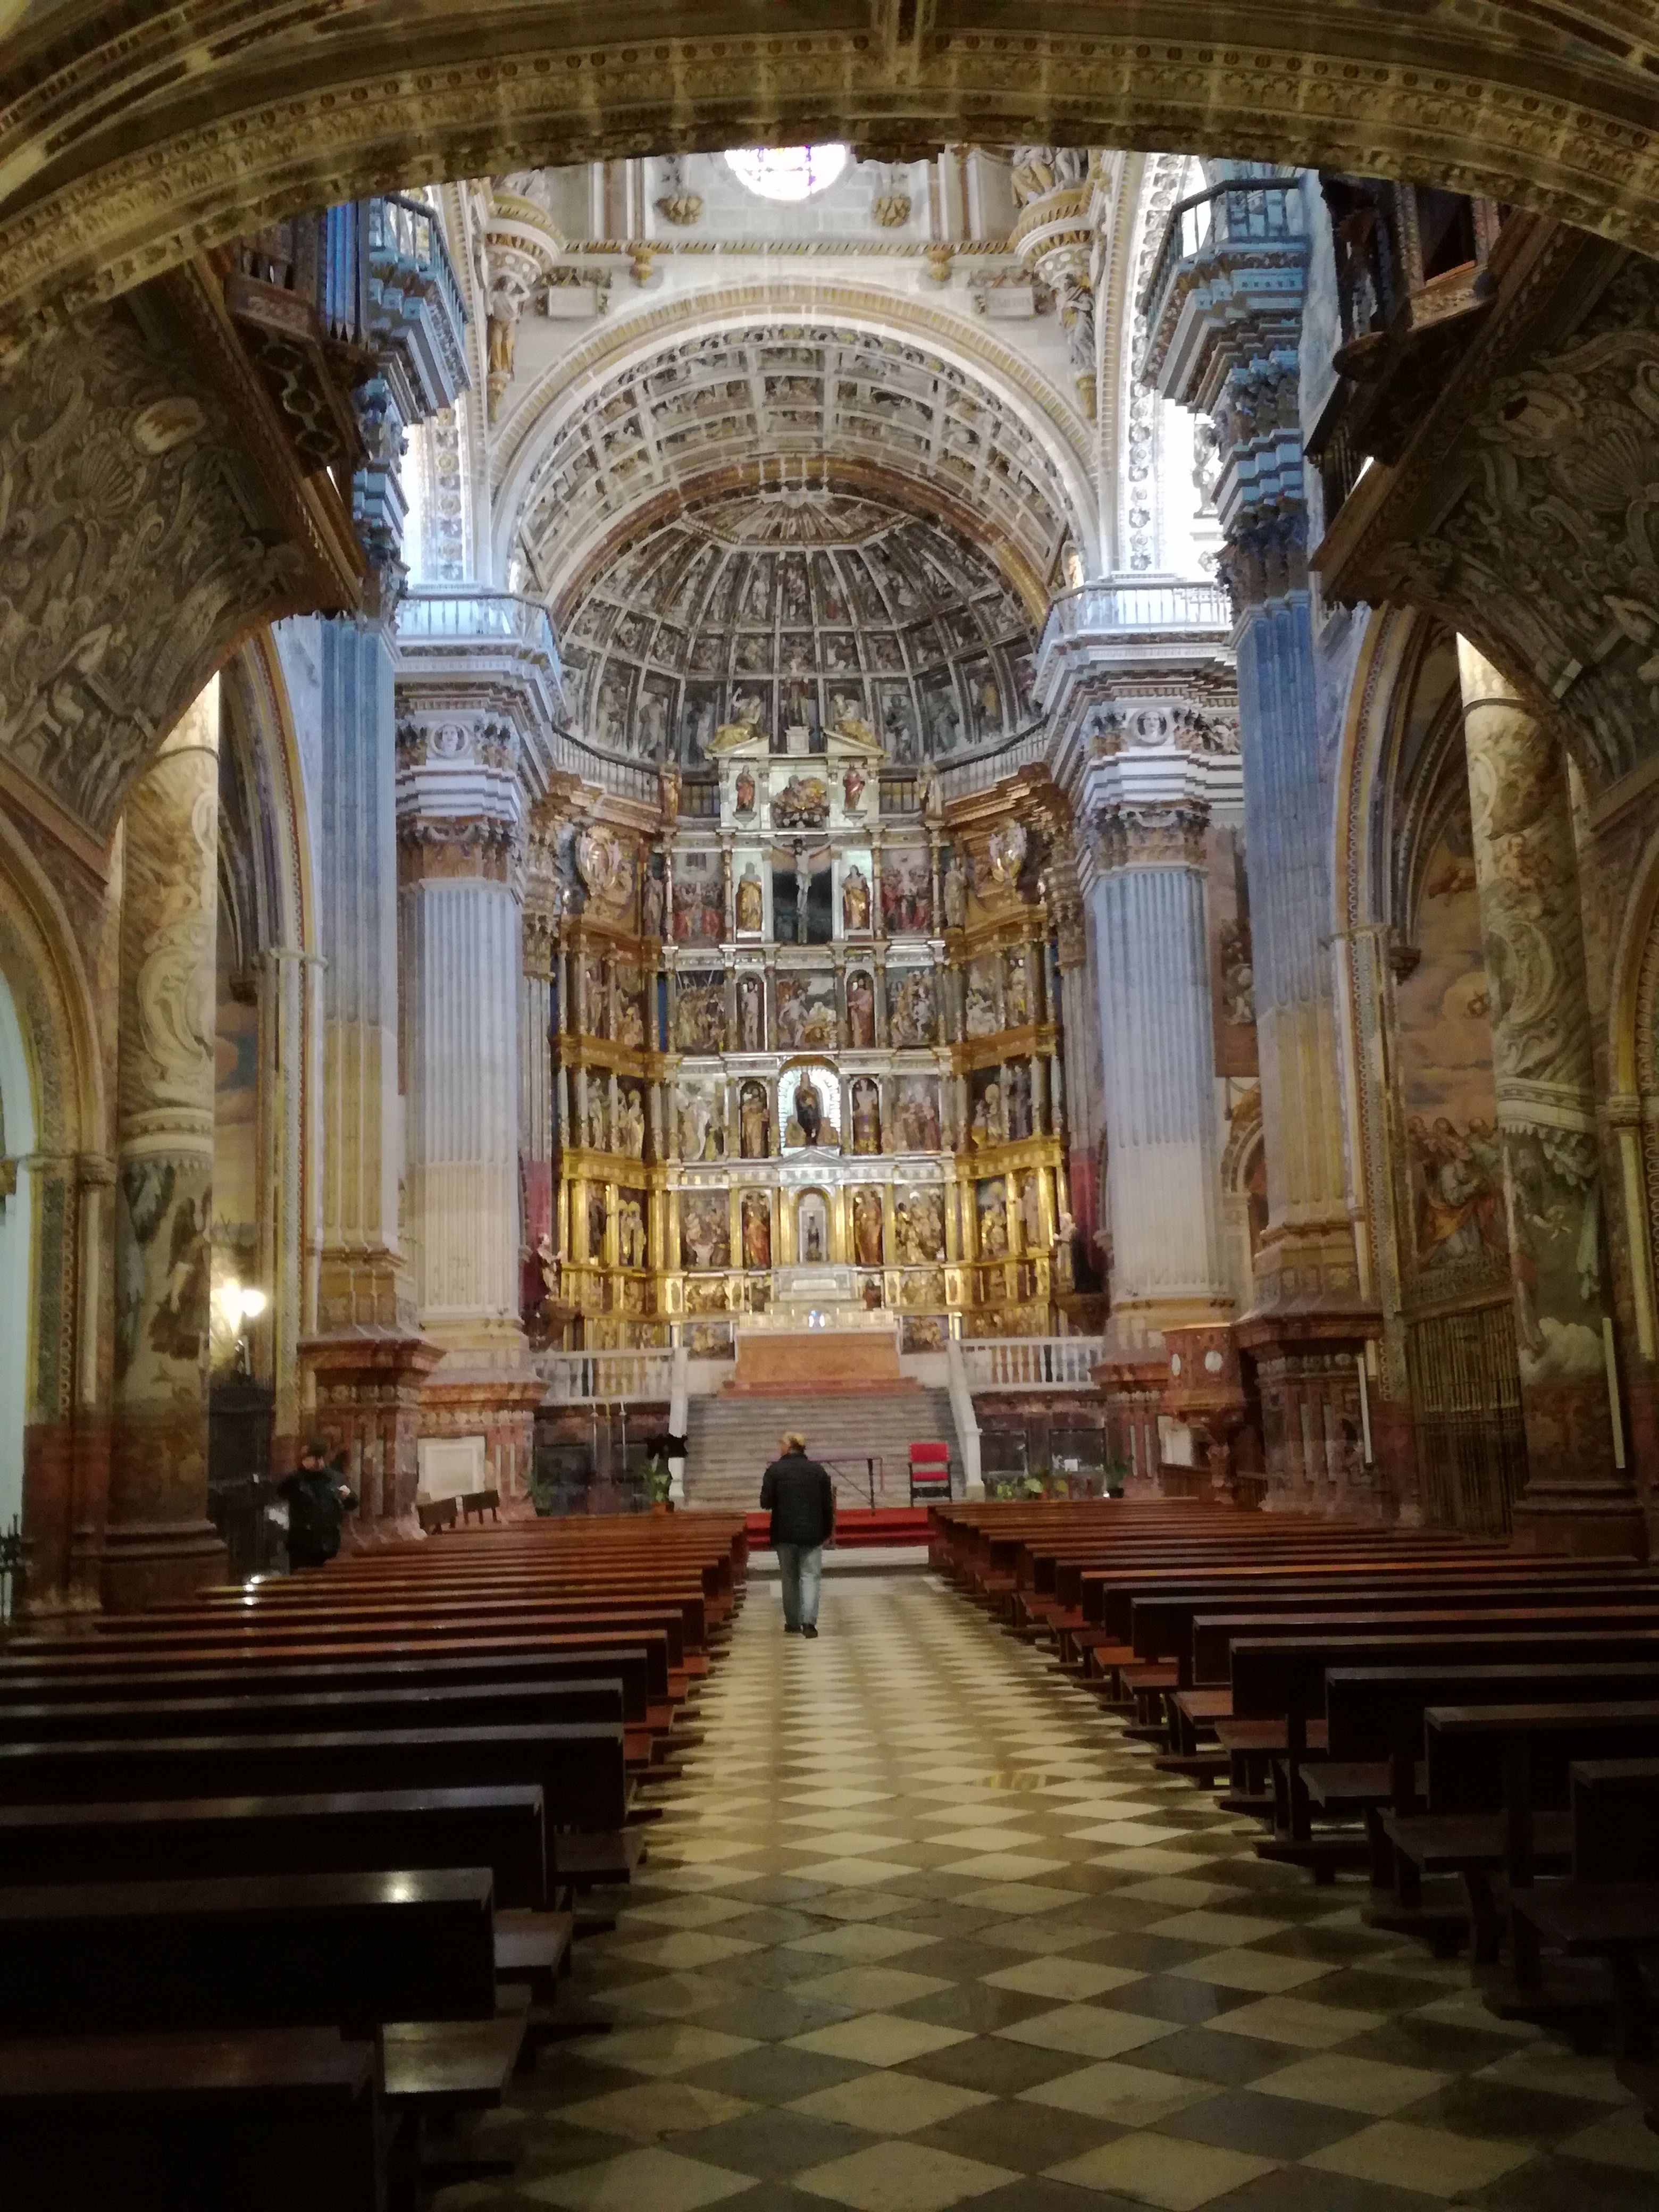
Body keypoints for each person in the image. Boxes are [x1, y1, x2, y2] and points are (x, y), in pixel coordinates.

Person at [760, 1432, 834, 1637]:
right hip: (812, 1532)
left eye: (781, 1443)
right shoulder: (818, 1471)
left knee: (789, 1578)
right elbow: (827, 1506)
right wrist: (827, 1530)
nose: (779, 1446)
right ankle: (809, 1623)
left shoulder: (775, 1471)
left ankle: (792, 1622)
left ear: (788, 1447)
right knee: (810, 1577)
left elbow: (765, 1503)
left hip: (784, 1532)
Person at [279, 1439, 359, 1570]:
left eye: (320, 1458)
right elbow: (282, 1492)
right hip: (302, 1545)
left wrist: (348, 1496)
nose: (318, 1463)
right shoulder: (297, 1479)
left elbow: (351, 1504)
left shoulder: (336, 1479)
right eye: (313, 1458)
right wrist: (300, 1472)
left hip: (329, 1543)